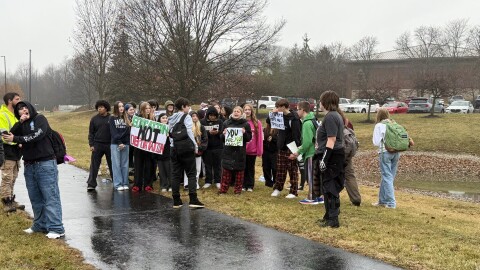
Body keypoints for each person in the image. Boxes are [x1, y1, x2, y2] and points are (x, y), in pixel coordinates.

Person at [3, 101, 65, 239]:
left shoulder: (40, 119)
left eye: (25, 107)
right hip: (29, 165)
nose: (23, 110)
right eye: (19, 109)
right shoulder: (22, 123)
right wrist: (19, 123)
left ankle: (56, 228)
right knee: (35, 197)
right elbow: (11, 134)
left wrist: (17, 139)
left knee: (50, 196)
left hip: (46, 163)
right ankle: (39, 225)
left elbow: (37, 135)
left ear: (30, 108)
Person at [372, 108, 414, 209]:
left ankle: (391, 203)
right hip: (396, 153)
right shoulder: (394, 124)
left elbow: (375, 142)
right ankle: (382, 201)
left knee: (387, 177)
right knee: (388, 177)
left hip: (385, 153)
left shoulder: (379, 125)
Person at [316, 91, 345, 228]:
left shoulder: (331, 117)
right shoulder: (333, 116)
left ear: (325, 102)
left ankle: (333, 219)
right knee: (326, 186)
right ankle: (328, 216)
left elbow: (332, 139)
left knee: (330, 186)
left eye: (320, 101)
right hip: (333, 154)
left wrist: (325, 159)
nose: (319, 103)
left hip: (333, 155)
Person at [168, 97, 204, 208]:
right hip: (186, 149)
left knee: (175, 174)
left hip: (174, 148)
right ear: (183, 106)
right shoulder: (186, 117)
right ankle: (193, 199)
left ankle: (176, 200)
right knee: (191, 173)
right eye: (188, 106)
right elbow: (189, 131)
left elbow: (170, 134)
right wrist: (195, 145)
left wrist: (173, 145)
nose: (189, 108)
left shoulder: (171, 118)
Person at [270, 98, 302, 199]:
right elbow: (269, 121)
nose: (277, 108)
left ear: (284, 107)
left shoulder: (294, 118)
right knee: (280, 168)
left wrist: (296, 149)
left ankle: (293, 191)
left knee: (292, 169)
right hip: (281, 145)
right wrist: (273, 113)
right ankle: (278, 188)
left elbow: (297, 134)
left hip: (291, 146)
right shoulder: (279, 115)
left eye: (278, 107)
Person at [289, 101, 319, 205]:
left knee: (310, 176)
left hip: (310, 153)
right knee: (315, 176)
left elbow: (307, 142)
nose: (297, 111)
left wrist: (297, 152)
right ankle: (319, 196)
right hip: (315, 152)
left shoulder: (306, 123)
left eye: (298, 109)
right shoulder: (313, 119)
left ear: (303, 110)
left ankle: (311, 197)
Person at [218, 106, 252, 195]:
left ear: (241, 113)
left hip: (240, 152)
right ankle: (223, 190)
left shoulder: (245, 124)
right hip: (228, 151)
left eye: (238, 111)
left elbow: (249, 138)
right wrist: (224, 134)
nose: (236, 113)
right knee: (226, 173)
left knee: (239, 173)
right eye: (234, 111)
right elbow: (221, 138)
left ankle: (238, 191)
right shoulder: (226, 123)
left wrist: (244, 133)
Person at [0, 92, 24, 212]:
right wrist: (17, 141)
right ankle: (6, 202)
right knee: (7, 177)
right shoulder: (3, 114)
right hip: (7, 151)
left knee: (13, 177)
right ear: (10, 101)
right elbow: (4, 135)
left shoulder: (15, 115)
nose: (20, 101)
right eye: (17, 99)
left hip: (16, 152)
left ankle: (11, 200)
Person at [87, 100, 113, 191]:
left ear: (106, 108)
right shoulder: (94, 119)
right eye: (98, 107)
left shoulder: (112, 118)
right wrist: (91, 144)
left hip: (109, 144)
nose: (99, 109)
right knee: (94, 165)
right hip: (97, 144)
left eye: (101, 107)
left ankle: (116, 182)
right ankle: (91, 184)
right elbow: (91, 133)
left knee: (112, 164)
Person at [338, 109, 361, 206]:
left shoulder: (332, 121)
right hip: (347, 153)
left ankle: (331, 196)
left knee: (333, 175)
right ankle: (356, 198)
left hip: (338, 152)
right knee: (350, 176)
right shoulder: (347, 122)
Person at [132, 102, 156, 192]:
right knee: (138, 165)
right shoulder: (138, 119)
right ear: (142, 110)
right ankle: (137, 184)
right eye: (146, 108)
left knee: (149, 165)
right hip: (139, 146)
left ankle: (148, 184)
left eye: (149, 108)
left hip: (149, 146)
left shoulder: (153, 119)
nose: (148, 110)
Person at [183, 111, 207, 190]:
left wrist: (200, 147)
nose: (195, 117)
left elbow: (205, 139)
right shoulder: (186, 127)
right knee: (188, 167)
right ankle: (186, 183)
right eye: (193, 116)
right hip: (189, 151)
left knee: (197, 168)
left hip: (198, 151)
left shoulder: (201, 127)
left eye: (196, 116)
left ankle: (195, 183)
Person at [200, 106, 224, 189]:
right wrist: (208, 132)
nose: (212, 117)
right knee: (207, 165)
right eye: (211, 115)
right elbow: (200, 132)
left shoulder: (220, 122)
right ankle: (208, 181)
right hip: (207, 147)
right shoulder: (202, 122)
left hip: (218, 147)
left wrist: (217, 133)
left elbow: (222, 132)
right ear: (208, 115)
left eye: (214, 115)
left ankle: (218, 181)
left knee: (217, 165)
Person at [109, 101, 130, 191]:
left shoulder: (126, 118)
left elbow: (127, 132)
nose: (121, 108)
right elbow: (113, 132)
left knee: (125, 164)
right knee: (116, 164)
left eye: (122, 106)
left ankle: (125, 183)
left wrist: (123, 142)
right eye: (119, 106)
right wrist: (119, 142)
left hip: (125, 143)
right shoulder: (112, 118)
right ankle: (118, 184)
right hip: (115, 144)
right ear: (116, 108)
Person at [243, 103, 263, 191]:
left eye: (249, 110)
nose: (247, 111)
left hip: (252, 150)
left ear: (252, 111)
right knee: (242, 167)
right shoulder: (241, 122)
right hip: (242, 150)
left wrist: (259, 150)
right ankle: (243, 185)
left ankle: (250, 185)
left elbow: (259, 137)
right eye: (245, 110)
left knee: (250, 168)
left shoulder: (256, 123)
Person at [156, 113, 172, 193]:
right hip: (159, 152)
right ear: (159, 119)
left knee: (169, 169)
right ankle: (164, 185)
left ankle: (170, 185)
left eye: (166, 118)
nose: (165, 119)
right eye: (163, 118)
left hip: (168, 151)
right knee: (161, 170)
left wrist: (169, 135)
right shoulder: (156, 128)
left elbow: (174, 137)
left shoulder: (170, 128)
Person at [262, 115, 278, 188]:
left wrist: (273, 138)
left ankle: (275, 181)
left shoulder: (278, 130)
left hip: (275, 151)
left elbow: (279, 141)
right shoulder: (264, 130)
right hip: (266, 151)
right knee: (266, 167)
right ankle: (268, 182)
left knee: (275, 167)